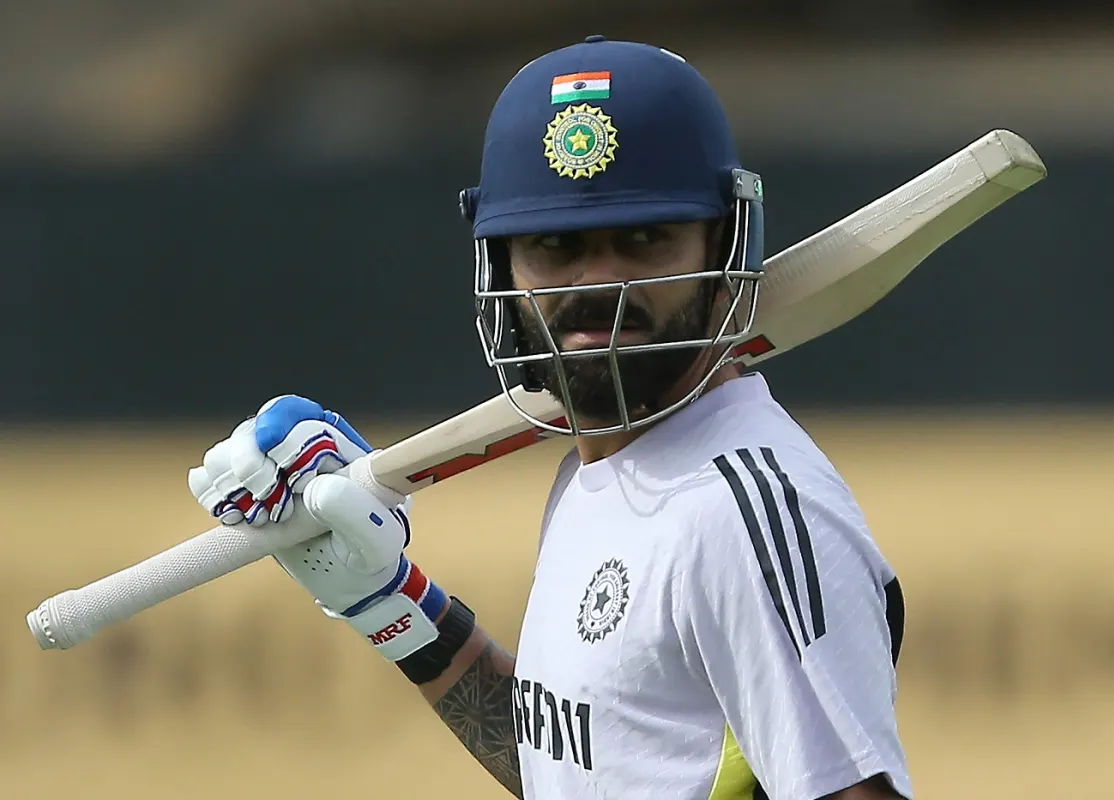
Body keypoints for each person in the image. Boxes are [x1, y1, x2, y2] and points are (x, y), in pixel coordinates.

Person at [187, 35, 912, 800]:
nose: (600, 283)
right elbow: (579, 771)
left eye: (643, 238)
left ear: (725, 243)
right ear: (503, 268)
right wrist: (390, 604)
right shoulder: (598, 478)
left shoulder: (740, 515)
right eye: (555, 245)